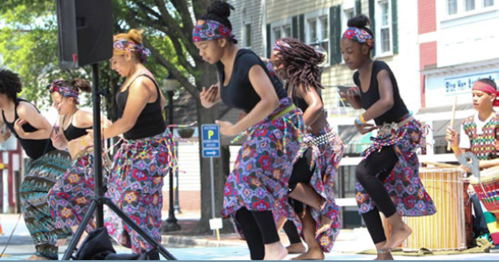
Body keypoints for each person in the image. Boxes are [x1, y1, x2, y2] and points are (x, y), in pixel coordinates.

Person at [193, 1, 305, 260]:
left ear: (221, 41)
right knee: (235, 194)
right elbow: (239, 91)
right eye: (198, 48)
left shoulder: (247, 60)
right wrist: (211, 100)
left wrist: (235, 128)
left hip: (283, 124)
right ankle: (261, 254)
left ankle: (274, 244)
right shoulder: (222, 65)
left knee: (248, 176)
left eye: (203, 47)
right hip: (265, 128)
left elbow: (270, 101)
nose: (201, 54)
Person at [340, 14, 436, 260]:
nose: (346, 57)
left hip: (403, 131)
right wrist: (355, 103)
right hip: (387, 134)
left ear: (365, 47)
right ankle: (383, 252)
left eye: (350, 51)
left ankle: (399, 226)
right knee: (362, 190)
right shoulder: (355, 77)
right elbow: (369, 106)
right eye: (343, 52)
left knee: (363, 172)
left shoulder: (380, 68)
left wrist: (361, 119)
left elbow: (387, 101)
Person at [88, 29, 174, 258]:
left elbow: (126, 122)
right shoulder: (138, 78)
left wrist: (98, 134)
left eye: (115, 61)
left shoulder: (141, 82)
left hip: (148, 153)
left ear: (128, 55)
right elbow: (162, 103)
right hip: (137, 150)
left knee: (133, 204)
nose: (113, 67)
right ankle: (145, 253)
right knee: (135, 205)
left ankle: (146, 254)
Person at [269, 38, 344, 260]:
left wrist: (296, 130)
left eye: (278, 63)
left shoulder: (302, 80)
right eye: (273, 64)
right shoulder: (289, 83)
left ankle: (326, 208)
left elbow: (316, 105)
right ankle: (313, 249)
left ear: (291, 60)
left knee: (287, 181)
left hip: (323, 144)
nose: (276, 68)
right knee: (294, 198)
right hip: (310, 144)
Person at [0, 69, 72, 260]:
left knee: (28, 190)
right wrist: (6, 133)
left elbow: (50, 131)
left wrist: (23, 135)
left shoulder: (22, 108)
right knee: (28, 202)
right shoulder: (3, 111)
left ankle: (62, 225)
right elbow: (4, 130)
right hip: (37, 160)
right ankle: (45, 252)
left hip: (54, 156)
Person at [46, 78, 111, 246]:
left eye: (58, 102)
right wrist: (58, 143)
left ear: (70, 99)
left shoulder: (80, 115)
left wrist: (86, 139)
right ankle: (90, 244)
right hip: (79, 163)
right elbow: (67, 145)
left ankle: (82, 238)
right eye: (53, 103)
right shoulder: (62, 119)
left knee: (56, 195)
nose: (56, 106)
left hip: (92, 164)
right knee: (80, 206)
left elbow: (108, 125)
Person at [446, 78, 499, 246]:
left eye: (479, 95)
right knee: (472, 191)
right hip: (478, 177)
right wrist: (455, 146)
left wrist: (481, 165)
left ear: (491, 97)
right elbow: (466, 161)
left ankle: (490, 233)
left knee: (480, 189)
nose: (474, 99)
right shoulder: (467, 123)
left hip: (495, 175)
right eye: (473, 95)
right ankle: (483, 232)